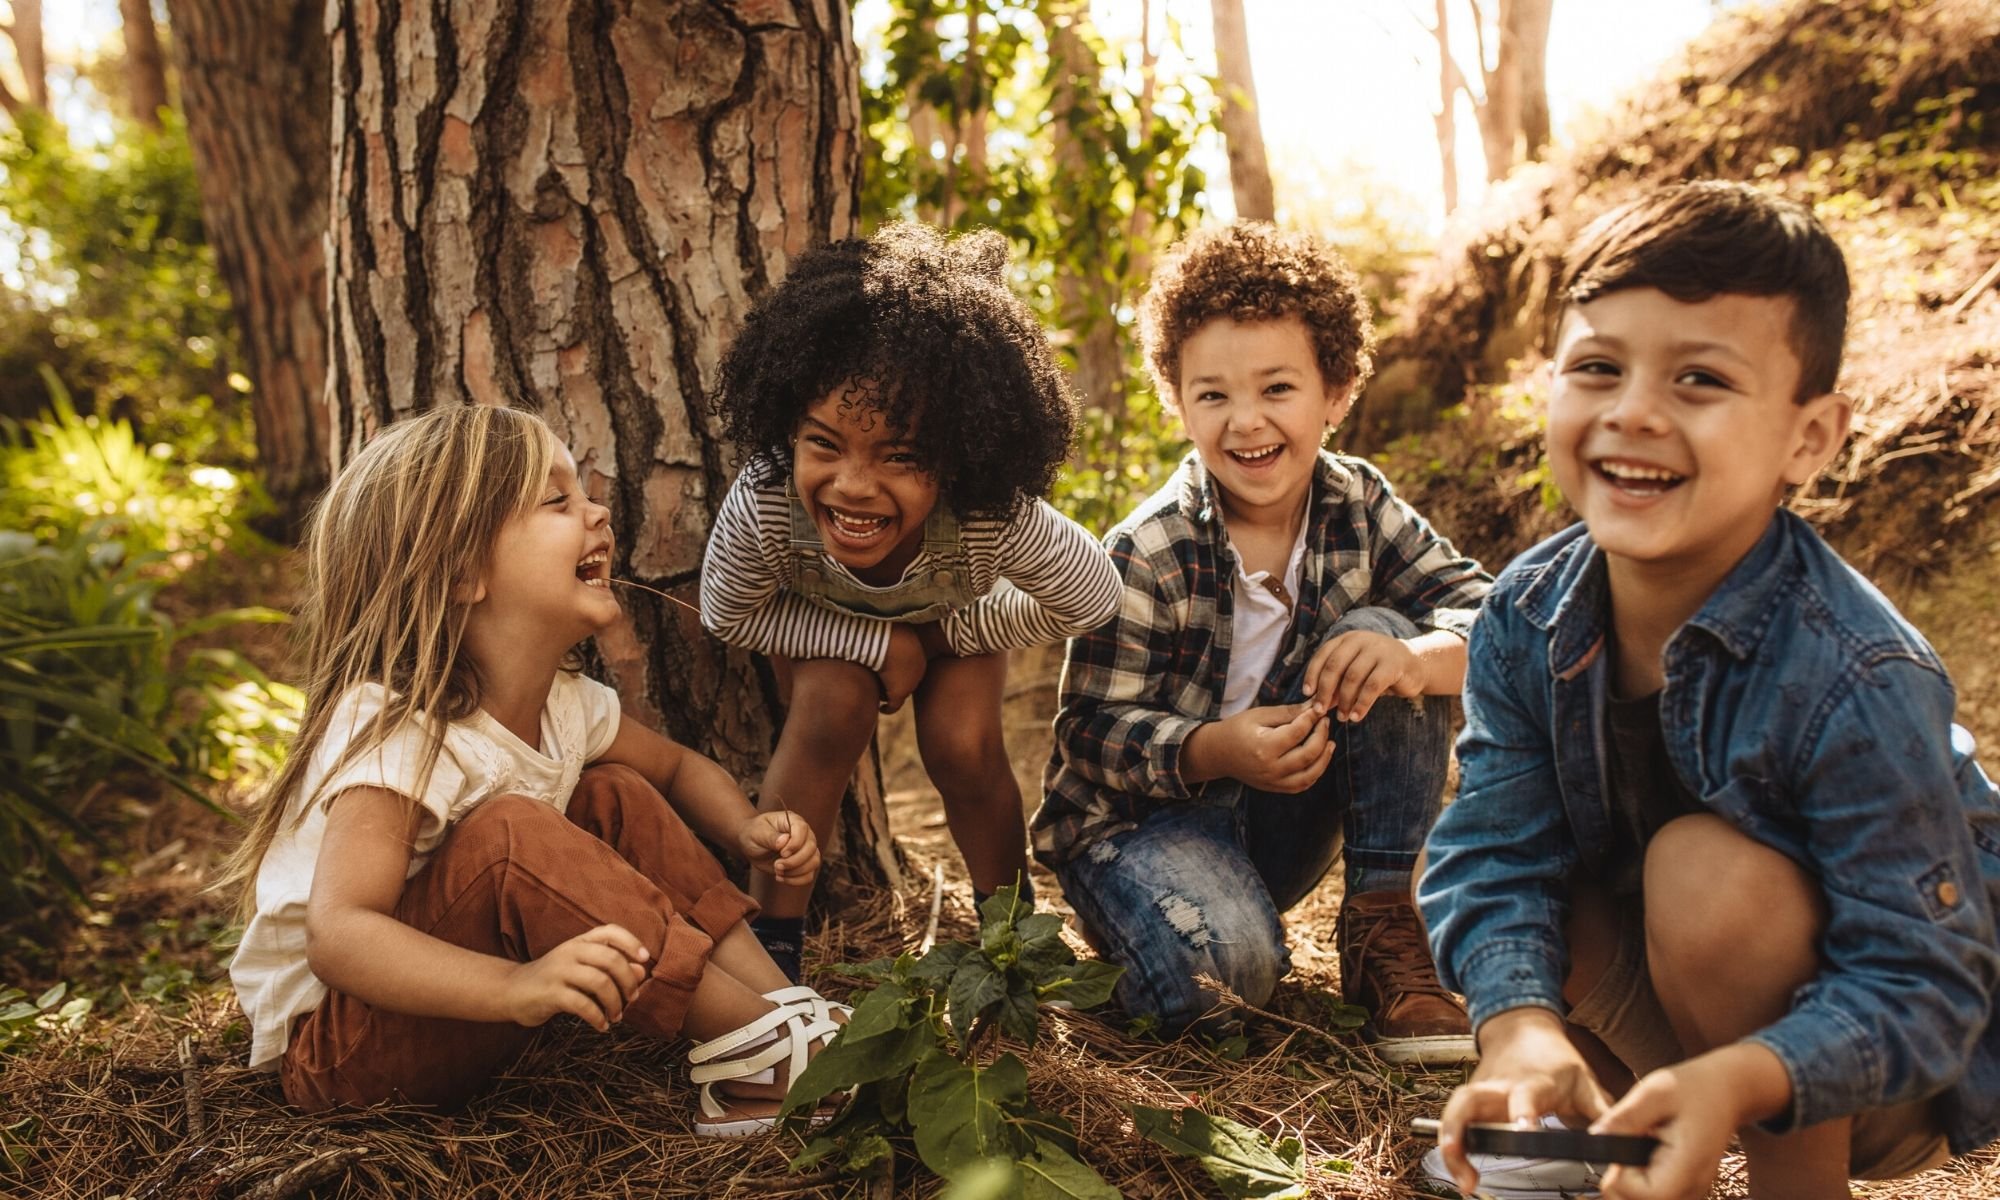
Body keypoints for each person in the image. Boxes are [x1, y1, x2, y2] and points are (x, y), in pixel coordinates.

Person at [1418, 181, 2000, 1200]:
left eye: (1697, 379)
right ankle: (1586, 1144)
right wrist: (1514, 1030)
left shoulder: (1856, 670)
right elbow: (1491, 849)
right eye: (1597, 368)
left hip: (1880, 1059)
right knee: (1533, 883)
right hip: (1678, 997)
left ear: (1806, 439)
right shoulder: (1526, 611)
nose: (1632, 412)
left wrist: (1737, 1080)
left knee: (1703, 874)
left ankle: (1791, 1188)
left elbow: (1923, 982)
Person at [224, 404, 845, 1136]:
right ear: (461, 570)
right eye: (558, 501)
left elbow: (675, 770)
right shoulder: (400, 726)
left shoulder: (567, 705)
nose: (599, 512)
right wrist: (515, 986)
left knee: (612, 792)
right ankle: (766, 1058)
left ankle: (778, 1011)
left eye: (583, 493)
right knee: (514, 832)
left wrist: (744, 828)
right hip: (346, 1049)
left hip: (460, 1009)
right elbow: (341, 934)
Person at [1031, 222, 1493, 1061]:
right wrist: (1213, 750)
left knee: (1384, 638)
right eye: (1213, 395)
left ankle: (1384, 923)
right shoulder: (1149, 549)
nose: (1246, 423)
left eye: (1277, 388)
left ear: (1338, 391)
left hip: (1281, 819)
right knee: (1226, 980)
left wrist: (1418, 659)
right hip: (1139, 832)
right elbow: (1088, 732)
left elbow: (1496, 618)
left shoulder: (1360, 504)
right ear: (1178, 402)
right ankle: (1171, 939)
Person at [699, 222, 1122, 982]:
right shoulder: (766, 501)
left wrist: (950, 632)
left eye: (900, 456)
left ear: (960, 457)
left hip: (954, 627)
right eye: (824, 443)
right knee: (830, 708)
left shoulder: (991, 514)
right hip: (826, 634)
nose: (854, 485)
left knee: (962, 745)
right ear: (788, 428)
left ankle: (1014, 945)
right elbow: (728, 613)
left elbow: (1090, 595)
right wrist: (874, 644)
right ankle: (771, 961)